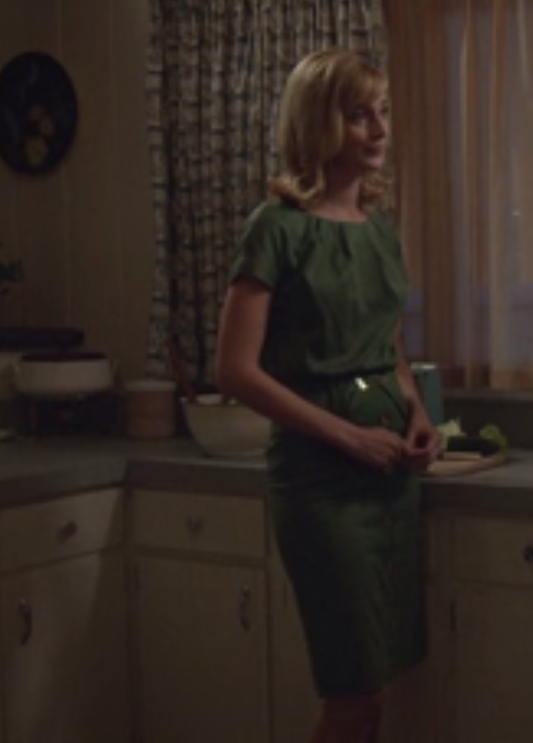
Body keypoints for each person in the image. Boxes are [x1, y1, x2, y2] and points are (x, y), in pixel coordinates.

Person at [215, 48, 439, 743]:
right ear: (319, 123)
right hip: (323, 482)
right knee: (354, 688)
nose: (379, 130)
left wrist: (418, 413)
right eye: (359, 115)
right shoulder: (276, 228)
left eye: (384, 112)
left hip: (389, 478)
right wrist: (348, 436)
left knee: (381, 681)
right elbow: (235, 371)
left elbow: (387, 346)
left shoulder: (380, 230)